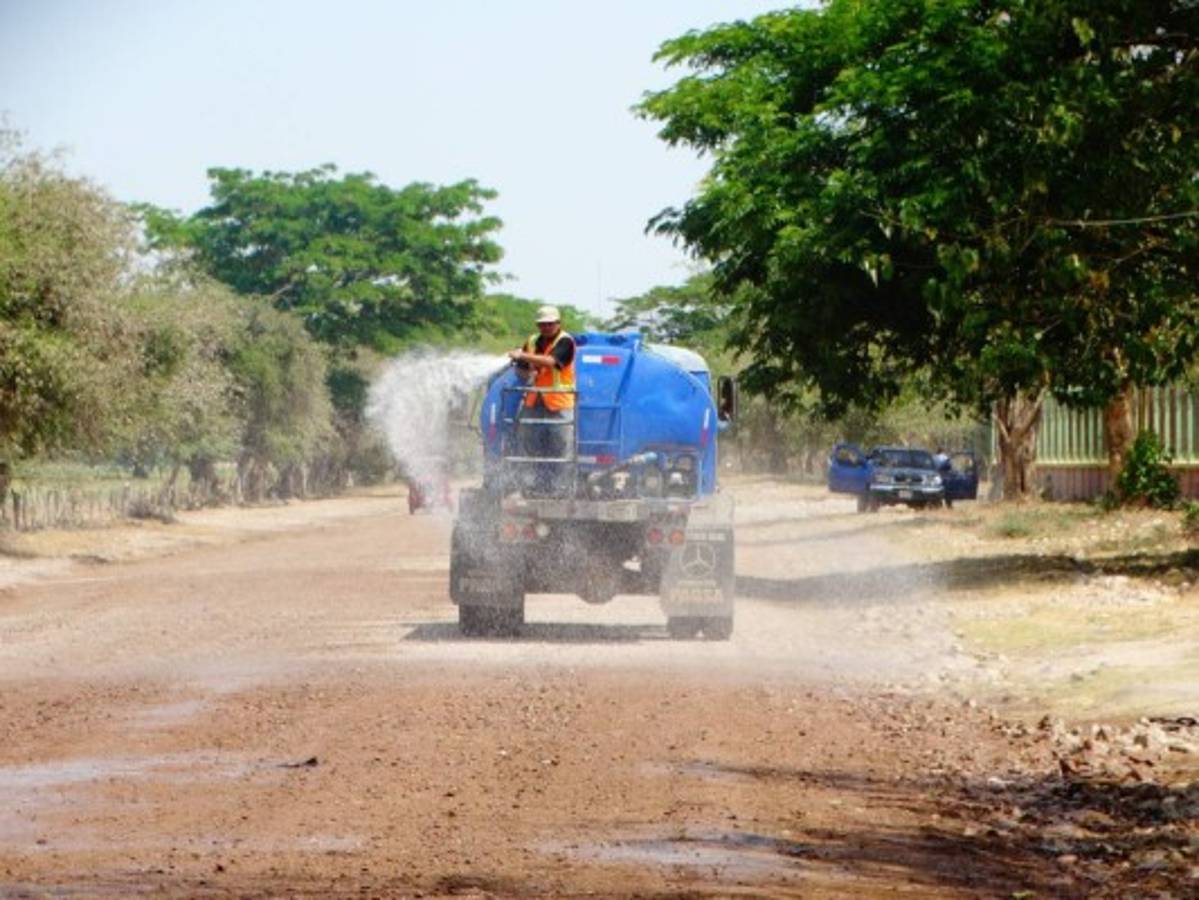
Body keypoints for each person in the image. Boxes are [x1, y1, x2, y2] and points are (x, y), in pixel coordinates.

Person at [507, 305, 576, 494]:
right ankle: (530, 487)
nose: (545, 327)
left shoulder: (566, 342)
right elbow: (523, 370)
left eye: (549, 324)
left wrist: (523, 356)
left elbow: (551, 362)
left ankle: (560, 490)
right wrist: (523, 366)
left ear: (558, 323)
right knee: (528, 444)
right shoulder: (532, 341)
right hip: (534, 401)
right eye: (542, 324)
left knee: (561, 448)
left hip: (559, 403)